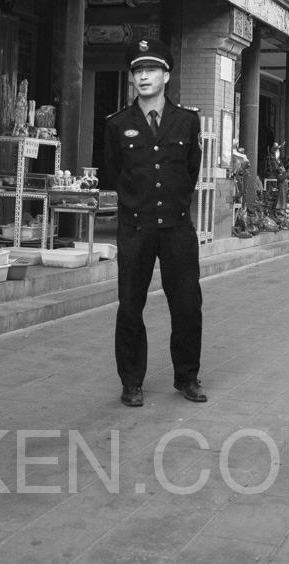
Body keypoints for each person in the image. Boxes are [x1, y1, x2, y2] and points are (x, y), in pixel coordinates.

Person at [103, 37, 205, 407]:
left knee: (187, 304)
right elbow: (114, 172)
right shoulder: (118, 124)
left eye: (151, 69)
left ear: (166, 74)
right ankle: (131, 381)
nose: (143, 77)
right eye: (137, 71)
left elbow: (191, 171)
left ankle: (187, 377)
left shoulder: (187, 121)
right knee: (130, 305)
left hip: (176, 227)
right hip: (135, 227)